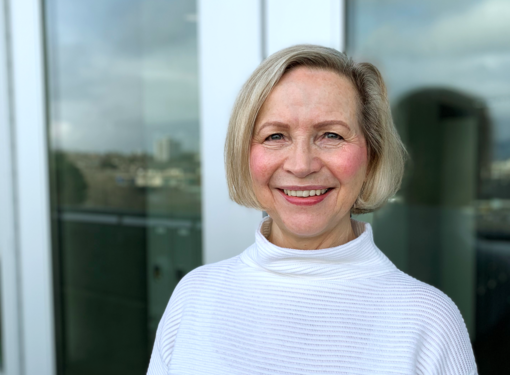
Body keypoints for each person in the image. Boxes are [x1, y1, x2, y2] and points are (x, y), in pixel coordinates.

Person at [147, 45, 477, 374]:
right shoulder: (194, 296)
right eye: (275, 136)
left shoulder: (429, 322)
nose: (301, 165)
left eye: (331, 135)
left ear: (371, 155)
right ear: (244, 155)